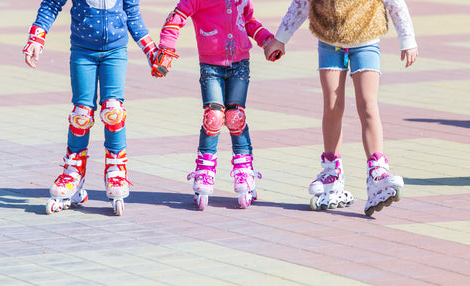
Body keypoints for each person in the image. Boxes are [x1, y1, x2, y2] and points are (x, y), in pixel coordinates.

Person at [264, 0, 418, 216]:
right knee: (332, 106)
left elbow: (395, 3)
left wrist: (407, 39)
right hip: (329, 41)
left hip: (365, 39)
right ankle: (331, 170)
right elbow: (300, 3)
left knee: (367, 105)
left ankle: (377, 170)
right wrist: (280, 39)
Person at [23, 0, 158, 216]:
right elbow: (50, 5)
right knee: (81, 115)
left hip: (115, 52)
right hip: (83, 52)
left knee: (113, 112)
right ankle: (73, 173)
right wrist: (36, 38)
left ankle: (116, 170)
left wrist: (151, 50)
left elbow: (132, 13)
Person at [152, 0, 275, 210]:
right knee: (213, 117)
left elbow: (249, 21)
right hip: (211, 65)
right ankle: (204, 172)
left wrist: (268, 40)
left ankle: (245, 171)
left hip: (240, 63)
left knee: (236, 117)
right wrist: (166, 49)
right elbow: (176, 18)